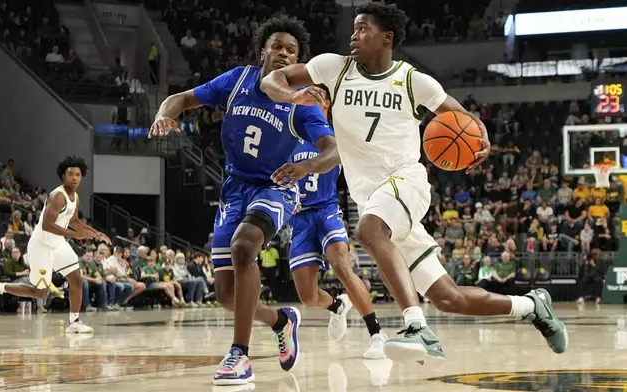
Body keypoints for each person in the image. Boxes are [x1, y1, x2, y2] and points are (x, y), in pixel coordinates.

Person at [260, 1, 568, 360]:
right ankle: (531, 306)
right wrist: (292, 94)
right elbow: (271, 80)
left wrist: (480, 139)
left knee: (369, 231)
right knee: (447, 296)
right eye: (354, 29)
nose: (354, 35)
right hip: (376, 199)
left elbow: (465, 119)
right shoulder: (333, 68)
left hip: (405, 181)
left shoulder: (412, 80)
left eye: (363, 29)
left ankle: (417, 328)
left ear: (386, 37)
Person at [148, 16, 338, 385]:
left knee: (244, 246)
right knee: (225, 296)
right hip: (234, 188)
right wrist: (163, 115)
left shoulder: (301, 101)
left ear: (298, 61)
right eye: (277, 46)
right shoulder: (236, 81)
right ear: (262, 51)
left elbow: (333, 151)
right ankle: (281, 320)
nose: (283, 53)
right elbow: (181, 99)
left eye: (292, 51)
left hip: (277, 185)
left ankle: (239, 356)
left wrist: (307, 167)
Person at [276, 136, 387, 358]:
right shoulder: (285, 140)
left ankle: (377, 334)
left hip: (326, 211)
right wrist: (284, 198)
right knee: (308, 297)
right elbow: (274, 180)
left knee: (342, 267)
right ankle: (337, 307)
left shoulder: (331, 138)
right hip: (299, 220)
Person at [0, 156, 111, 333]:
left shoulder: (74, 197)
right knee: (40, 293)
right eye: (70, 174)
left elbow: (73, 220)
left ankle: (74, 322)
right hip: (41, 245)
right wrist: (75, 235)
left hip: (58, 244)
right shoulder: (57, 196)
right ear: (63, 176)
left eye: (78, 174)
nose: (74, 178)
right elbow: (47, 225)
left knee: (76, 279)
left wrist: (94, 233)